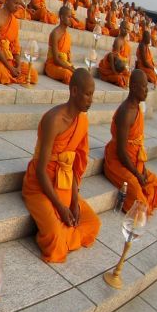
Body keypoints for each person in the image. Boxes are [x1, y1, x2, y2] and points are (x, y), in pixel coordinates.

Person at [22, 68, 101, 262]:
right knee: (56, 242)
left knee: (93, 223)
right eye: (87, 94)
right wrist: (59, 206)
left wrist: (73, 202)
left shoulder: (82, 121)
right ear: (74, 91)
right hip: (40, 186)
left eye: (92, 95)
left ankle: (65, 231)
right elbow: (40, 170)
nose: (91, 100)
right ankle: (62, 233)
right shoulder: (53, 120)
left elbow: (72, 166)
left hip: (64, 183)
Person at [104, 70, 157, 215]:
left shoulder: (137, 108)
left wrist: (142, 169)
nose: (147, 90)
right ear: (134, 87)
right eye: (144, 87)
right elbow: (121, 152)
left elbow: (137, 144)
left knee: (153, 181)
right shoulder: (126, 112)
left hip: (133, 158)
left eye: (147, 86)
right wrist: (136, 173)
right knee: (136, 188)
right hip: (117, 160)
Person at [44, 6, 76, 85]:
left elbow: (68, 56)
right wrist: (69, 68)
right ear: (62, 17)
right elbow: (56, 59)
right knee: (68, 74)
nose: (70, 19)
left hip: (63, 64)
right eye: (68, 17)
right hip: (52, 65)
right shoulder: (55, 34)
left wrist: (70, 66)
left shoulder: (67, 35)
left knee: (79, 74)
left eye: (71, 17)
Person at [97, 23, 132, 88]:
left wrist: (126, 68)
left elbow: (127, 58)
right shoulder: (118, 41)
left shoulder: (126, 43)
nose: (126, 30)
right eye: (124, 28)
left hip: (121, 67)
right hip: (113, 66)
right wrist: (115, 72)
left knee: (129, 76)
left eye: (128, 29)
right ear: (120, 29)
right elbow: (116, 59)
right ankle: (107, 77)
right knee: (119, 79)